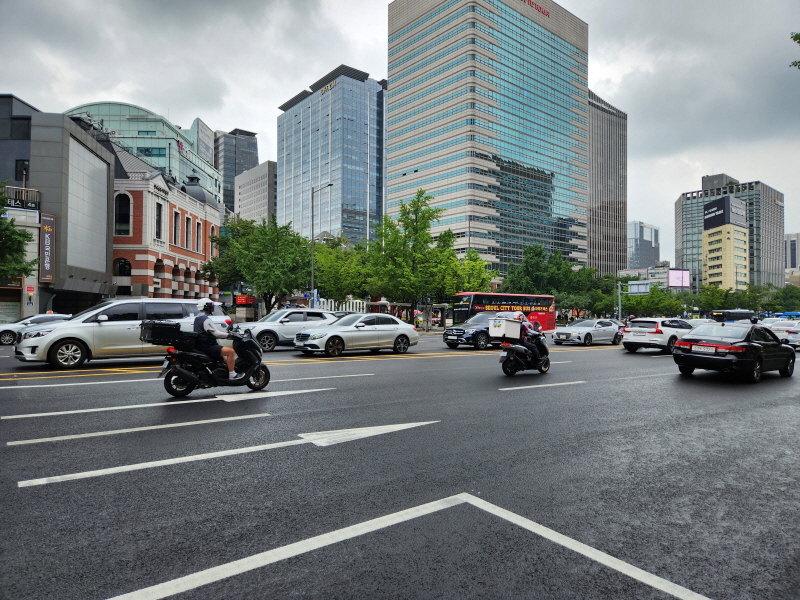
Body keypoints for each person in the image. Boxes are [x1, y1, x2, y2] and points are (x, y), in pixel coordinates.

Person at [194, 299, 243, 380]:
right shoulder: (206, 319)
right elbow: (216, 333)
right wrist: (230, 335)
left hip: (202, 345)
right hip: (208, 346)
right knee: (230, 351)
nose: (212, 308)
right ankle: (232, 374)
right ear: (206, 307)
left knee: (223, 355)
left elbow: (210, 333)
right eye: (211, 306)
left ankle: (222, 373)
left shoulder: (198, 318)